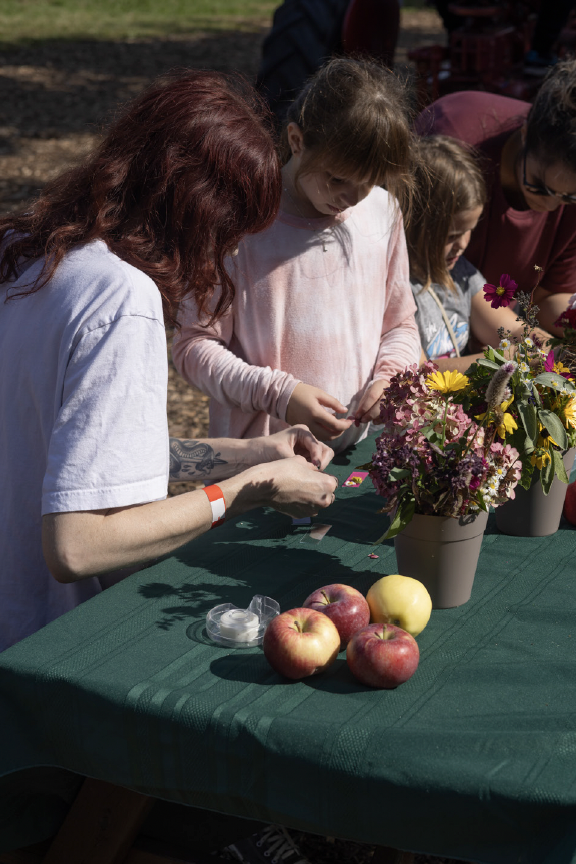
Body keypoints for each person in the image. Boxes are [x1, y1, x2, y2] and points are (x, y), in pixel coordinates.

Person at [0, 70, 338, 653]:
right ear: (198, 208)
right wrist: (245, 491)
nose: (231, 251)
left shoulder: (27, 250)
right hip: (40, 648)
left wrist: (253, 452)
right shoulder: (121, 298)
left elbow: (78, 460)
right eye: (232, 231)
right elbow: (78, 544)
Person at [172, 57, 421, 453]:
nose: (352, 198)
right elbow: (193, 348)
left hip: (355, 452)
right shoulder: (239, 226)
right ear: (296, 140)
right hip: (260, 465)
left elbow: (399, 325)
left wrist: (391, 377)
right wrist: (281, 395)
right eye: (337, 178)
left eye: (369, 182)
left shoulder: (381, 210)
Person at [414, 57, 576, 337]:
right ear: (525, 134)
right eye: (539, 186)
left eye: (569, 197)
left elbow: (549, 297)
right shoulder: (453, 150)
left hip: (494, 325)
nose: (550, 205)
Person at [407, 135, 549, 372]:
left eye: (469, 230)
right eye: (451, 235)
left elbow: (513, 330)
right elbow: (419, 372)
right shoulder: (399, 286)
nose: (462, 244)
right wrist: (502, 360)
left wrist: (539, 344)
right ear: (415, 223)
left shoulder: (461, 273)